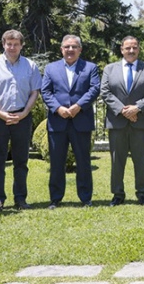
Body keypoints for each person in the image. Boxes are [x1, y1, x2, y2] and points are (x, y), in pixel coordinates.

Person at [0, 29, 42, 212]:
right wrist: (0, 113)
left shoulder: (30, 66)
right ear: (3, 44)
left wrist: (24, 113)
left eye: (16, 44)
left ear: (21, 45)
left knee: (21, 160)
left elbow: (35, 92)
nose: (12, 47)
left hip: (22, 118)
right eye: (9, 44)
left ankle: (20, 198)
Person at [41, 34, 100, 208]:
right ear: (61, 49)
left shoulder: (90, 68)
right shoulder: (51, 68)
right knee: (57, 162)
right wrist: (58, 108)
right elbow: (46, 92)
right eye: (67, 47)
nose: (70, 50)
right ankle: (55, 198)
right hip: (58, 122)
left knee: (83, 162)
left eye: (74, 47)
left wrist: (78, 106)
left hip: (81, 121)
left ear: (80, 49)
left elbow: (94, 89)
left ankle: (85, 198)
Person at [100, 36, 144, 206]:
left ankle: (142, 194)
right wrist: (123, 110)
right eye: (128, 48)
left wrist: (137, 108)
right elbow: (105, 92)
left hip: (140, 122)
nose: (131, 51)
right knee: (116, 160)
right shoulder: (110, 69)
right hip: (117, 123)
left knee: (140, 160)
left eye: (134, 47)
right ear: (122, 49)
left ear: (139, 49)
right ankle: (117, 194)